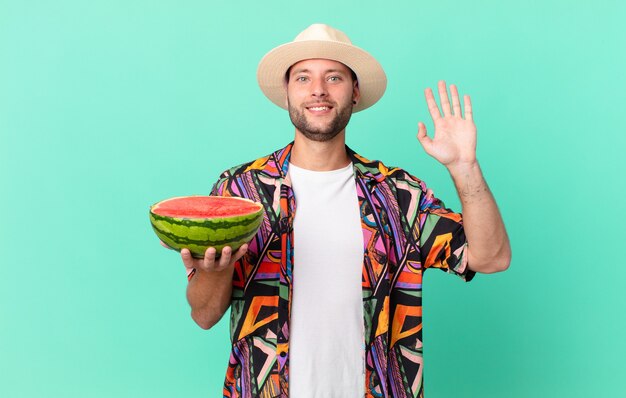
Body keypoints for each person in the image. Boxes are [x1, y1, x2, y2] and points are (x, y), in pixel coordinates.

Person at [175, 24, 511, 398]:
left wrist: (465, 168)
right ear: (287, 91)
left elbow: (491, 258)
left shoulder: (398, 195)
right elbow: (204, 315)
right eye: (303, 77)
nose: (318, 89)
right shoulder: (241, 192)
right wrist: (214, 272)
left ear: (354, 92)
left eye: (333, 77)